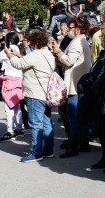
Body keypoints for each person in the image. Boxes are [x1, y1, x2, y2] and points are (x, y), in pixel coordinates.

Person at [6, 31, 56, 163]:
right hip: (46, 93)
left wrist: (9, 55)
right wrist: (18, 55)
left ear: (35, 43)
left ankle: (36, 152)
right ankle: (48, 150)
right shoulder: (47, 54)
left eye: (30, 41)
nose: (28, 43)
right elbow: (28, 61)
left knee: (35, 124)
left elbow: (18, 64)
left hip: (35, 93)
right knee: (46, 122)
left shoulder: (35, 54)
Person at [50, 17, 92, 158]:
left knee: (73, 115)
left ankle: (74, 145)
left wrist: (58, 53)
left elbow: (69, 60)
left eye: (71, 27)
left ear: (78, 28)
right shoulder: (81, 40)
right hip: (79, 82)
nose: (68, 30)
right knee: (80, 115)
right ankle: (82, 142)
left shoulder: (78, 41)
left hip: (75, 83)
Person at [0, 33, 24, 142]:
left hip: (10, 80)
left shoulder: (8, 50)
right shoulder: (20, 49)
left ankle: (10, 131)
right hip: (20, 80)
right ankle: (19, 128)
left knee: (9, 106)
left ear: (9, 41)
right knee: (17, 106)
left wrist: (5, 49)